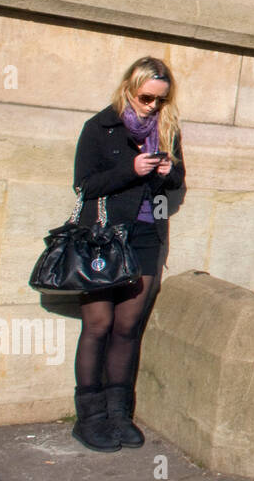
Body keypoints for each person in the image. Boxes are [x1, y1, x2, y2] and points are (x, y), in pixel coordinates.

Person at [69, 57, 185, 452]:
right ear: (129, 88)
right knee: (99, 325)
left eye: (160, 101)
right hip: (102, 238)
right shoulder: (100, 127)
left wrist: (168, 170)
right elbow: (84, 185)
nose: (152, 107)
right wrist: (131, 170)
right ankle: (90, 419)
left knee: (127, 328)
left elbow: (178, 181)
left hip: (145, 237)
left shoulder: (166, 128)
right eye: (146, 98)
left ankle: (119, 415)